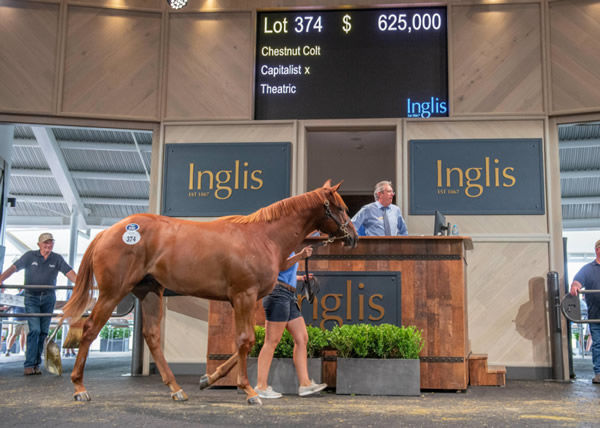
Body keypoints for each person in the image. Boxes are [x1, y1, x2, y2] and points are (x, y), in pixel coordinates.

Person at [255, 246, 327, 399]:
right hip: (277, 294)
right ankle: (261, 386)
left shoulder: (289, 245)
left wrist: (299, 279)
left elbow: (284, 272)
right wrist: (301, 255)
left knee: (302, 338)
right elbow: (279, 266)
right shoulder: (280, 244)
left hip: (288, 295)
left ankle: (305, 384)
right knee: (272, 341)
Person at [0, 232, 77, 375]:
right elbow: (13, 268)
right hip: (31, 297)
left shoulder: (57, 258)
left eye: (50, 243)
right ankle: (29, 364)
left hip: (49, 298)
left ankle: (36, 364)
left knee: (43, 332)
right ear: (39, 244)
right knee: (34, 329)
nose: (48, 246)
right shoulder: (30, 256)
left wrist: (81, 284)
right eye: (45, 243)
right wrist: (1, 278)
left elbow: (70, 273)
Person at [569, 238, 600, 384]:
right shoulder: (588, 269)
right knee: (598, 344)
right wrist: (575, 286)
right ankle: (599, 372)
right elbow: (577, 281)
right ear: (597, 250)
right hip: (596, 315)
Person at [4, 290, 28, 356]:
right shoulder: (18, 296)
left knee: (20, 335)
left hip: (22, 317)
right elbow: (11, 306)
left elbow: (10, 307)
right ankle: (8, 350)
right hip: (20, 318)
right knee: (16, 334)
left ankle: (9, 350)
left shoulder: (26, 296)